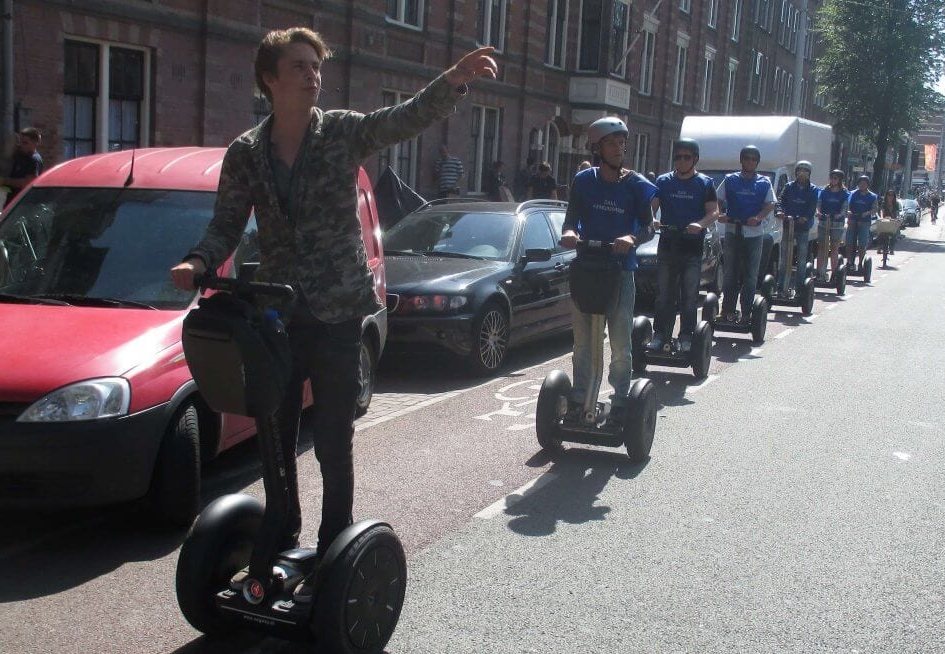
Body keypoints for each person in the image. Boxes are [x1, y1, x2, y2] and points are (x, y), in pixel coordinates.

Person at [170, 27, 497, 600]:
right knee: (275, 430)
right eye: (299, 66)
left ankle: (334, 539)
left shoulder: (341, 132)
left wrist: (454, 81)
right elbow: (225, 224)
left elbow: (405, 118)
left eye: (315, 66)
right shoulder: (246, 152)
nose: (312, 75)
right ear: (270, 79)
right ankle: (280, 523)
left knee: (332, 438)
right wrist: (199, 261)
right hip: (279, 315)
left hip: (339, 315)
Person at [559, 117, 657, 429]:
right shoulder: (584, 181)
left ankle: (619, 402)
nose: (620, 148)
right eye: (613, 143)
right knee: (583, 343)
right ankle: (578, 400)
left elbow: (648, 228)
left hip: (620, 272)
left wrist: (632, 238)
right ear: (598, 147)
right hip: (587, 268)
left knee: (619, 343)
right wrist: (569, 232)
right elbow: (571, 217)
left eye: (622, 142)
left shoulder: (636, 185)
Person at [648, 138, 719, 352]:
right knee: (663, 296)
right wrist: (652, 219)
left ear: (695, 159)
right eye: (677, 156)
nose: (681, 160)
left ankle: (686, 336)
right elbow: (650, 207)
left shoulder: (705, 183)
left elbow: (714, 212)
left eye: (686, 157)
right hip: (667, 243)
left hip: (691, 247)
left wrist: (700, 224)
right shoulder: (663, 181)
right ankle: (660, 334)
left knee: (689, 296)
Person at [715, 145, 776, 323]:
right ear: (741, 160)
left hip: (754, 234)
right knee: (730, 274)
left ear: (757, 162)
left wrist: (758, 217)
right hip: (733, 231)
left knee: (750, 275)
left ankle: (747, 312)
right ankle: (727, 310)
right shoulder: (730, 179)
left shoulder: (764, 182)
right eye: (747, 158)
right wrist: (720, 214)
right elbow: (718, 198)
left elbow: (770, 204)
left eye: (753, 159)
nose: (750, 162)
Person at [776, 160, 821, 296]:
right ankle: (781, 286)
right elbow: (780, 200)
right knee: (784, 258)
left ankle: (799, 287)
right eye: (800, 171)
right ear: (796, 172)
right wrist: (779, 211)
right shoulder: (789, 187)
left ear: (809, 174)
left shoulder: (813, 190)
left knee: (801, 259)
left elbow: (812, 206)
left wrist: (805, 217)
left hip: (803, 227)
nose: (802, 174)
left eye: (805, 172)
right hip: (788, 225)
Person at [0, 127, 43, 205]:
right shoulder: (19, 155)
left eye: (25, 143)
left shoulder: (34, 160)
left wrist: (4, 181)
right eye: (20, 142)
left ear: (35, 143)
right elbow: (2, 164)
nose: (21, 145)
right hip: (8, 199)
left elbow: (28, 183)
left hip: (23, 203)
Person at [816, 169, 849, 282]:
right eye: (831, 178)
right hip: (824, 222)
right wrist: (818, 212)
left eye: (835, 178)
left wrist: (840, 214)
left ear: (839, 180)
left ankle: (834, 274)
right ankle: (820, 272)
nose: (833, 180)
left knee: (834, 248)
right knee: (821, 247)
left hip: (837, 224)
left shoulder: (844, 193)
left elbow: (845, 208)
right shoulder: (824, 191)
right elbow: (819, 204)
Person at [845, 175, 878, 272]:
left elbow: (875, 209)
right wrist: (848, 212)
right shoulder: (852, 194)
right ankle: (849, 261)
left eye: (864, 184)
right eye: (860, 183)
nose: (862, 185)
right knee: (849, 242)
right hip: (853, 220)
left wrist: (867, 213)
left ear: (867, 185)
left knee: (862, 243)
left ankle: (860, 263)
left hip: (864, 222)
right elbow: (846, 205)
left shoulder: (872, 196)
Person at [879, 188, 900, 255]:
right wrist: (882, 218)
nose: (890, 197)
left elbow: (897, 213)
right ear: (886, 196)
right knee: (880, 233)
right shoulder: (884, 203)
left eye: (892, 195)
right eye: (889, 195)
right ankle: (880, 247)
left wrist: (896, 219)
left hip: (892, 221)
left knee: (895, 234)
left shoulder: (896, 204)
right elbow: (882, 211)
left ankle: (891, 248)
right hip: (884, 221)